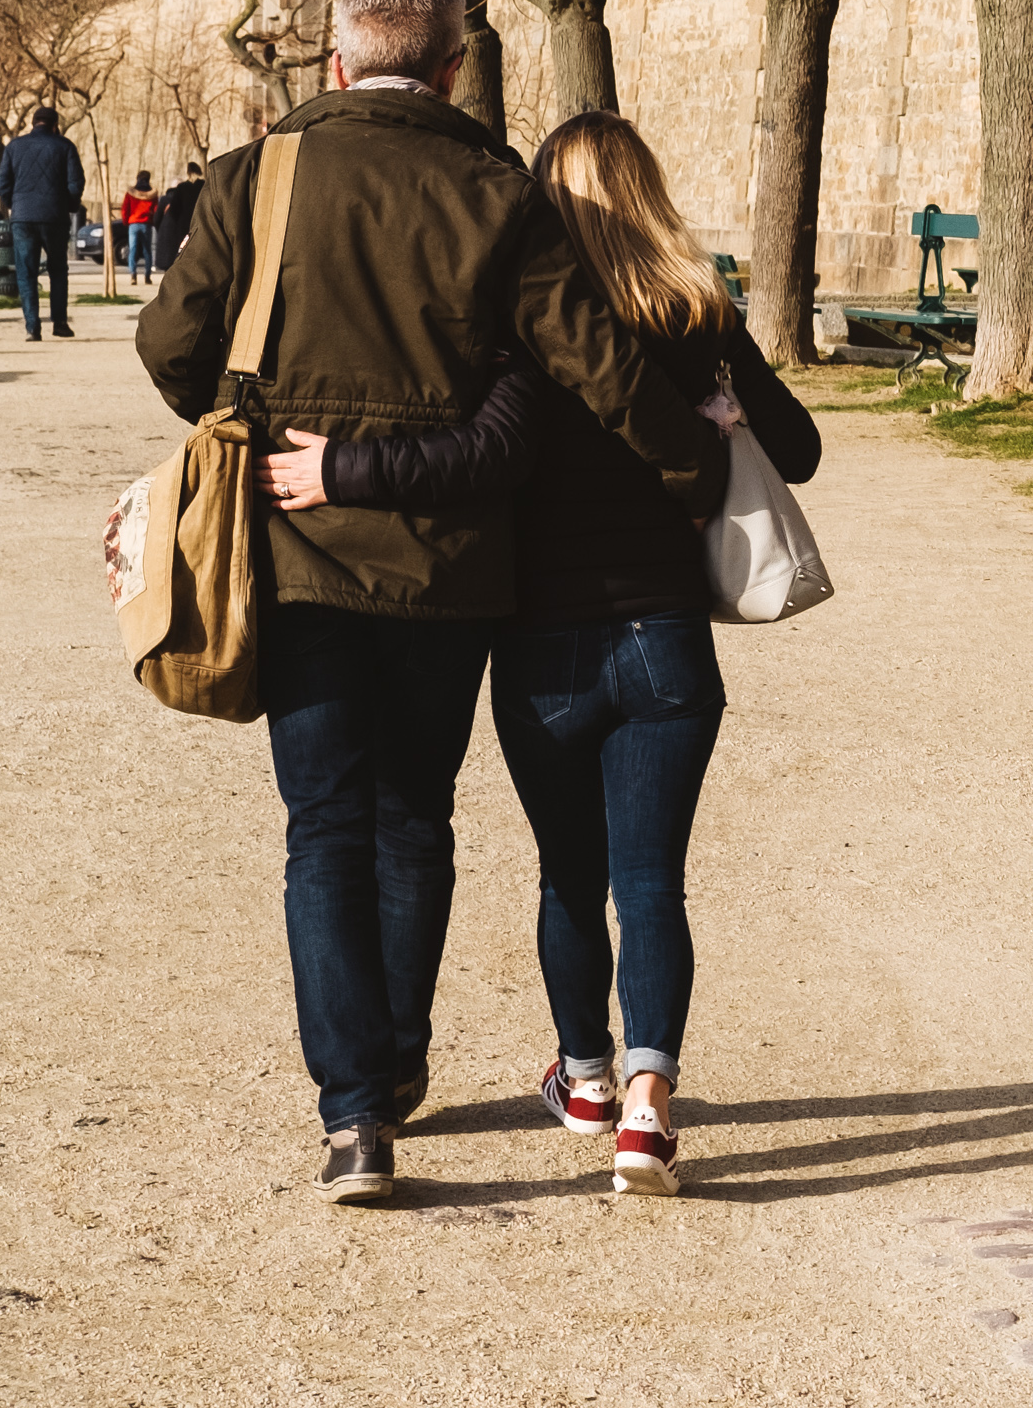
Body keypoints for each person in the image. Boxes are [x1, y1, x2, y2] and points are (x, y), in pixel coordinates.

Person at [137, 0, 723, 1208]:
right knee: (415, 820)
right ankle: (398, 1062)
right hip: (452, 568)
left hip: (295, 558)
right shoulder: (494, 192)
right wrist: (688, 465)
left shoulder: (257, 178)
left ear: (336, 63)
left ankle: (356, 1118)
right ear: (454, 67)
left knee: (324, 829)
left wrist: (256, 422)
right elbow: (591, 361)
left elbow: (171, 344)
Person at [265, 113, 816, 1199]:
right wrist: (718, 409)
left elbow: (484, 455)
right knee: (654, 878)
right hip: (666, 640)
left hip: (541, 651)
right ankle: (649, 1112)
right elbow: (795, 449)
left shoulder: (520, 335)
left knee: (572, 874)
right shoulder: (699, 314)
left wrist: (349, 470)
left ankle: (585, 1077)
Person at [1, 106, 85, 341]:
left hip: (22, 217)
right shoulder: (65, 146)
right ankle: (59, 323)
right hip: (54, 217)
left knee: (26, 273)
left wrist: (15, 203)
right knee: (58, 271)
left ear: (33, 123)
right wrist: (68, 204)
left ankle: (32, 327)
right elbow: (76, 182)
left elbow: (2, 183)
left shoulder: (14, 147)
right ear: (54, 125)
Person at [120, 171, 160, 282]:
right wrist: (153, 221)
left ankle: (133, 275)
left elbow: (125, 209)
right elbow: (156, 210)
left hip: (133, 223)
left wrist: (125, 221)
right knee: (147, 250)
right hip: (146, 224)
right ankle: (147, 276)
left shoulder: (130, 193)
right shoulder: (152, 194)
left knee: (132, 249)